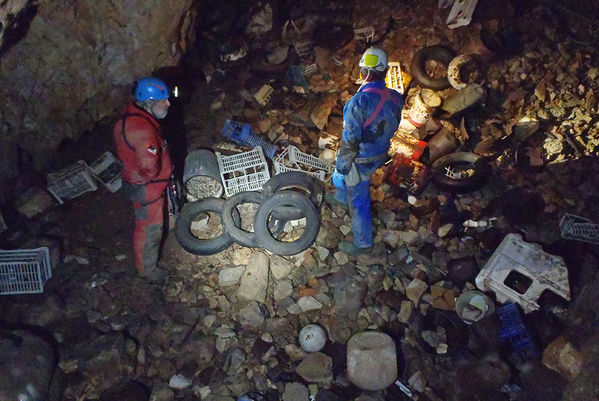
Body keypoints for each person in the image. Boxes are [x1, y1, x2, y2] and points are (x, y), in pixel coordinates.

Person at [327, 47, 404, 255]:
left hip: (360, 160)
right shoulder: (396, 97)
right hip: (379, 155)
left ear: (365, 73)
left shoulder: (358, 103)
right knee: (357, 184)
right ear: (386, 71)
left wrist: (340, 170)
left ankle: (363, 243)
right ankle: (342, 196)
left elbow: (350, 143)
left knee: (359, 198)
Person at [114, 77, 172, 283]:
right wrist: (155, 175)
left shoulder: (132, 118)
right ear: (148, 102)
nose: (168, 103)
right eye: (162, 100)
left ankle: (146, 267)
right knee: (149, 230)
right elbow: (148, 166)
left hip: (140, 184)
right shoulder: (142, 131)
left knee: (146, 225)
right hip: (148, 190)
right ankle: (148, 272)